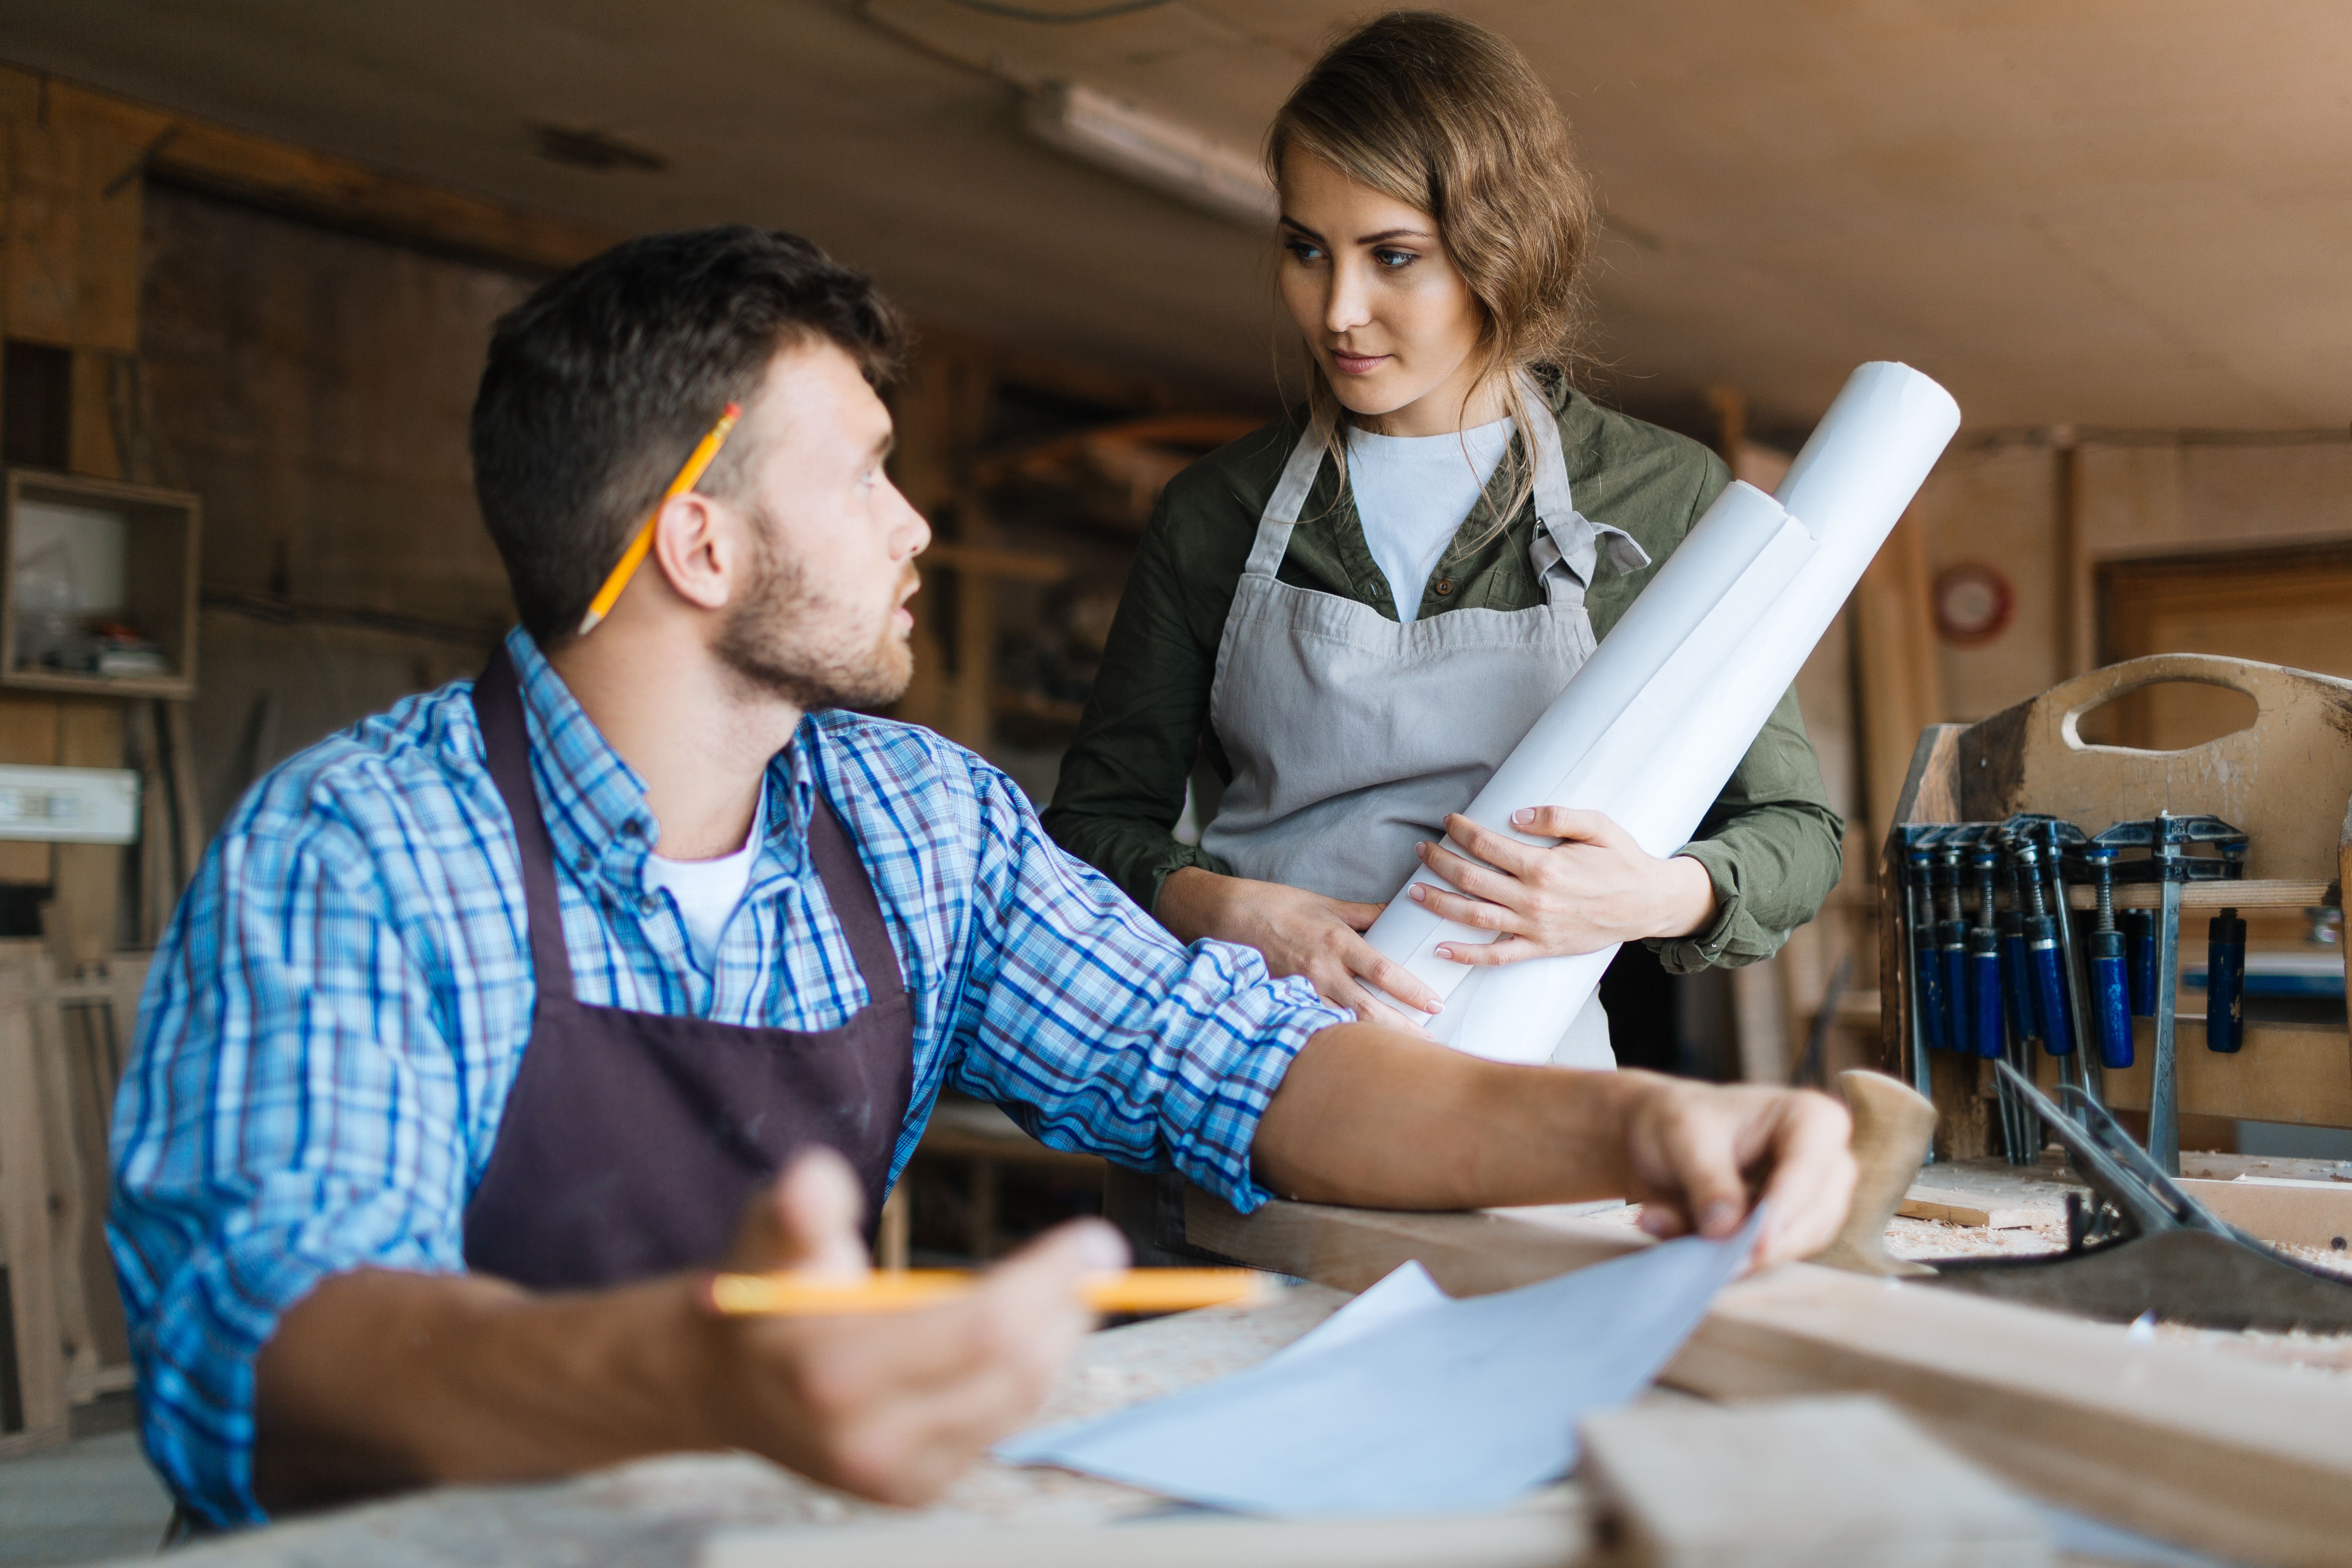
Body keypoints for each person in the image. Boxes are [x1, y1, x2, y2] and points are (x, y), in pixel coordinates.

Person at [111, 225, 1855, 1530]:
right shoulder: (363, 850)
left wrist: (1635, 1132)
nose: (914, 525)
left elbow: (1240, 1066)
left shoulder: (914, 826)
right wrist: (684, 1377)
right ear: (700, 543)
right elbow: (261, 1356)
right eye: (866, 473)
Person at [1042, 11, 1844, 1060]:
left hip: (1524, 1075)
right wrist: (1220, 909)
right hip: (1242, 1057)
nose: (1338, 311)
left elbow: (1794, 832)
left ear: (1499, 250)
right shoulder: (1216, 511)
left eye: (1393, 257)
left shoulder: (1660, 495)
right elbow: (1092, 826)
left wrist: (1652, 894)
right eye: (1305, 250)